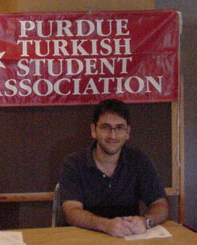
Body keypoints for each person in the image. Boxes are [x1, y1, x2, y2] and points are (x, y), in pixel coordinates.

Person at [59, 99, 169, 237]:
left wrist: (145, 222)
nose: (113, 135)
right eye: (105, 127)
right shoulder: (73, 163)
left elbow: (160, 204)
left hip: (128, 238)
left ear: (128, 132)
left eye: (119, 128)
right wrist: (106, 225)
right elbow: (71, 212)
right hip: (84, 238)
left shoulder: (139, 160)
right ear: (93, 130)